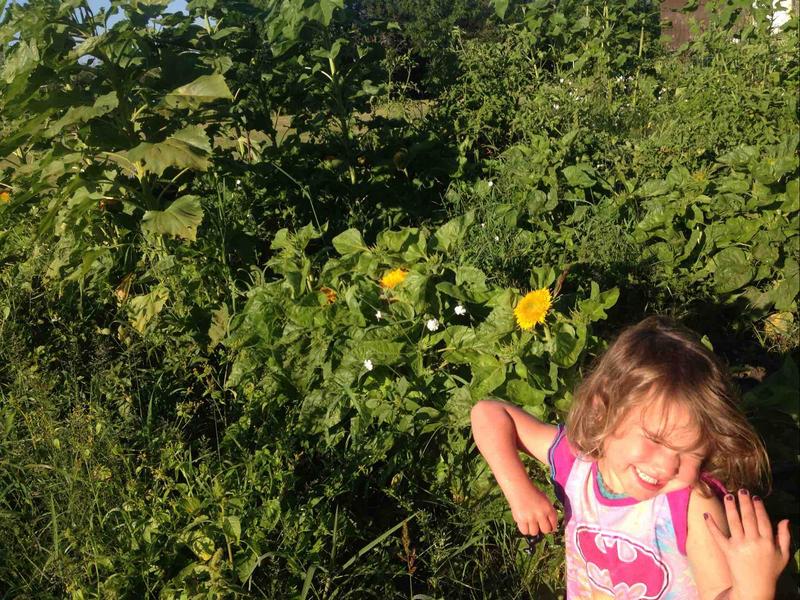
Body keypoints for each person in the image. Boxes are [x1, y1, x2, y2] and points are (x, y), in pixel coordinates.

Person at [471, 316, 792, 600]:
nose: (667, 466)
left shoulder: (691, 506)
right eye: (654, 439)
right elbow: (489, 413)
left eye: (691, 452)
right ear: (602, 412)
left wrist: (754, 589)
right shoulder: (577, 463)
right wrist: (519, 491)